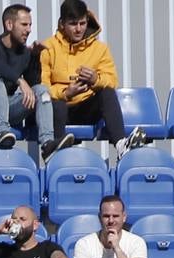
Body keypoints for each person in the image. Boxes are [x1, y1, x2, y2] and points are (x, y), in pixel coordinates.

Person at [0, 3, 70, 158]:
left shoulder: (24, 54)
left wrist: (34, 57)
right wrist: (19, 81)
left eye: (30, 25)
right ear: (9, 24)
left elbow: (34, 85)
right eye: (24, 25)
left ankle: (47, 144)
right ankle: (2, 134)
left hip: (8, 109)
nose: (29, 30)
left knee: (42, 90)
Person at [39, 0, 131, 152]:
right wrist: (65, 94)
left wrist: (96, 79)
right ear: (62, 24)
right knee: (57, 105)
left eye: (82, 23)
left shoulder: (100, 48)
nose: (78, 29)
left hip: (86, 108)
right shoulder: (48, 48)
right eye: (73, 24)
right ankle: (57, 152)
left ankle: (121, 144)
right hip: (59, 110)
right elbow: (42, 88)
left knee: (107, 92)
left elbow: (112, 80)